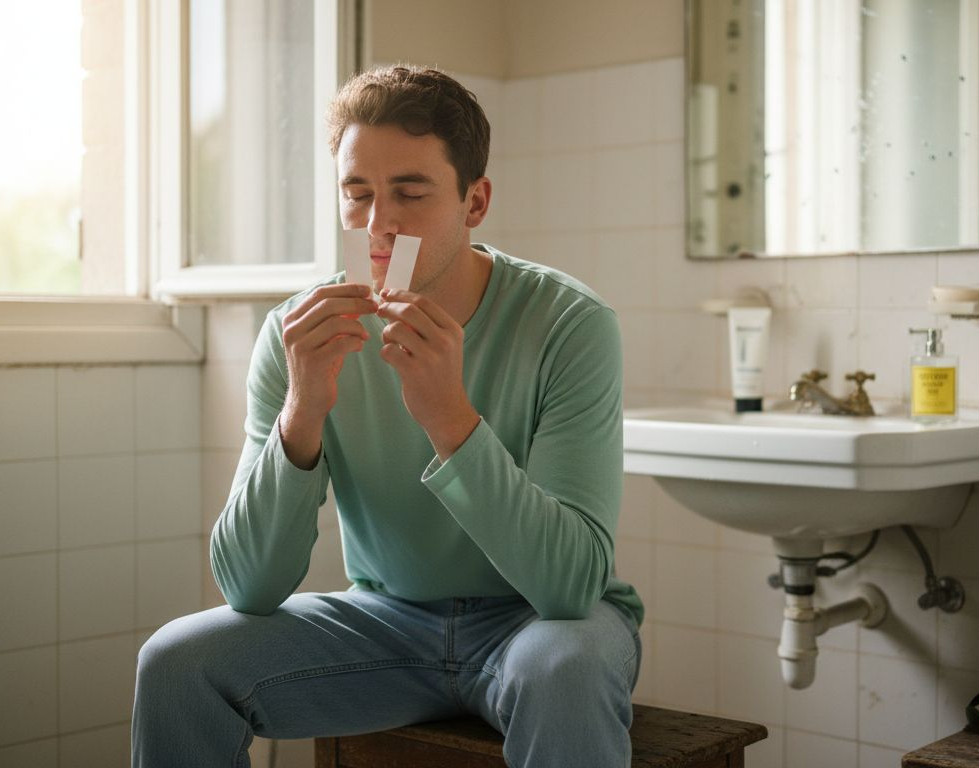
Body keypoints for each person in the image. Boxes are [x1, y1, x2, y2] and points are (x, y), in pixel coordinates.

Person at [132, 64, 643, 767]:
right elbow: (248, 587)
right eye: (357, 192)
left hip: (538, 625)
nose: (379, 224)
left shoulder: (568, 323)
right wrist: (303, 411)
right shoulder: (296, 334)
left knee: (566, 667)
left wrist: (449, 418)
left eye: (409, 191)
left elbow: (568, 588)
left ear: (475, 201)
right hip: (388, 621)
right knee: (175, 661)